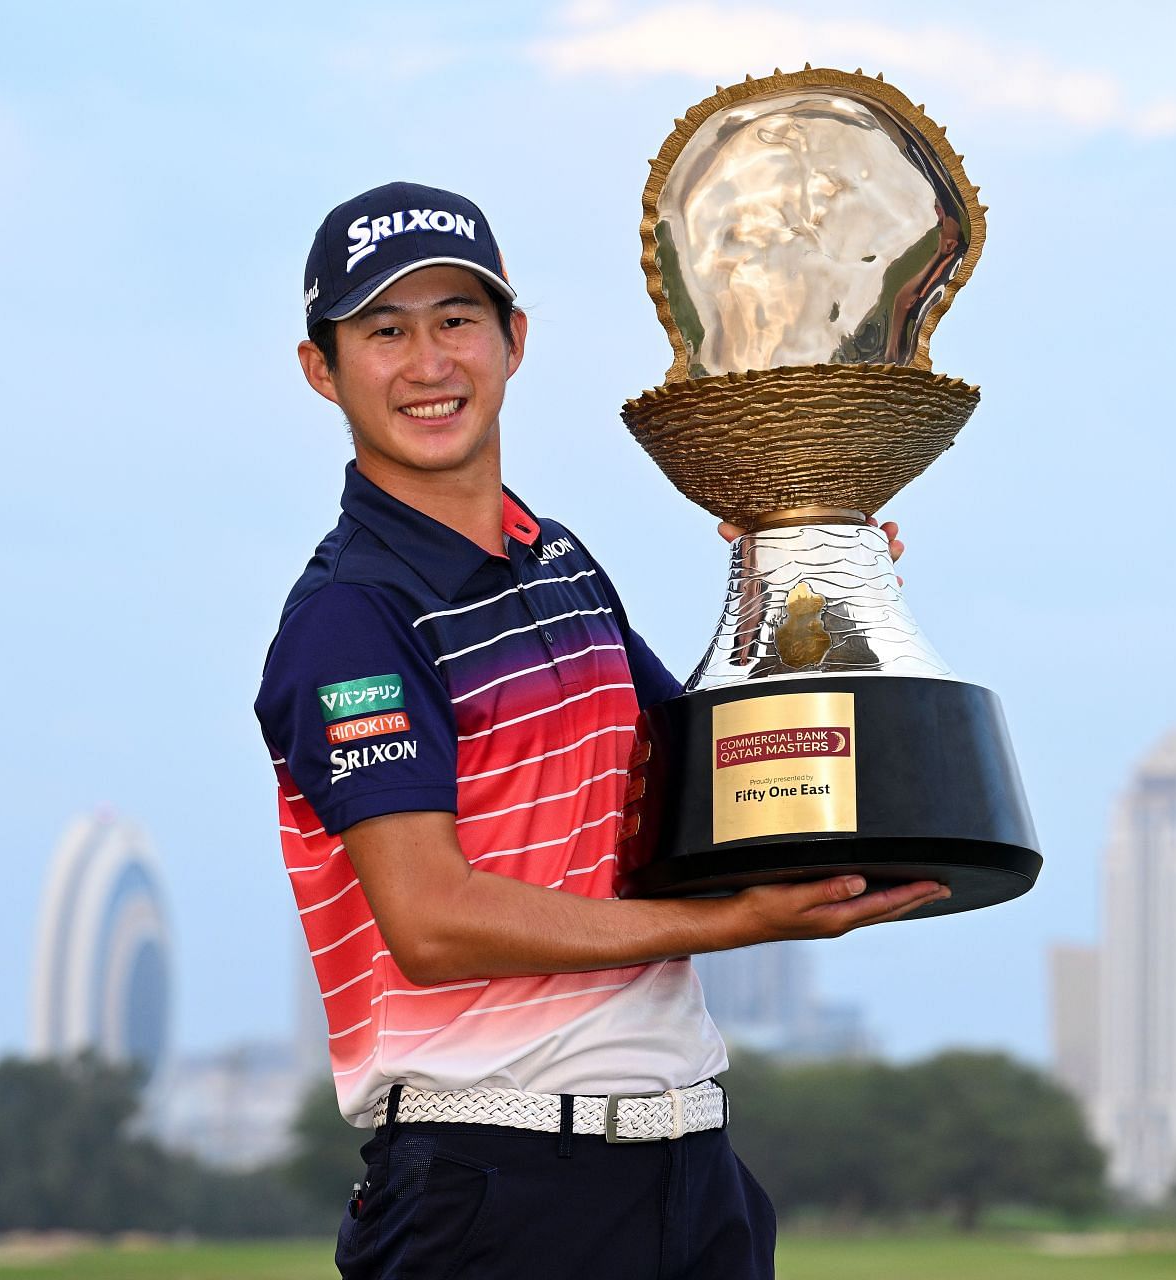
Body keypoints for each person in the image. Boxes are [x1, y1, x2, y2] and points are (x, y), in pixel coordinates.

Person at [255, 181, 949, 1279]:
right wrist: (735, 927)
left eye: (456, 319)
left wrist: (804, 572)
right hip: (493, 1187)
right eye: (383, 329)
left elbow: (702, 776)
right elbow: (432, 920)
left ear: (513, 340)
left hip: (688, 1167)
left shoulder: (559, 561)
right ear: (321, 368)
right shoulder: (355, 615)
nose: (428, 361)